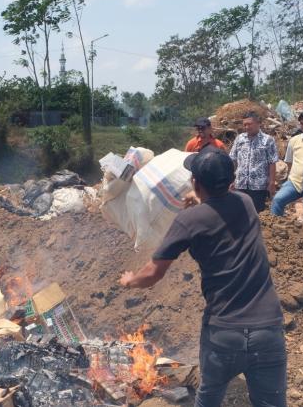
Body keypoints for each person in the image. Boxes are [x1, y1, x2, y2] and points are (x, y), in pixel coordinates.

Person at [120, 149, 287, 407]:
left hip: (224, 333)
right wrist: (202, 201)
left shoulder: (188, 220)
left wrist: (129, 280)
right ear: (231, 181)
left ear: (195, 182)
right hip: (269, 330)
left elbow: (153, 273)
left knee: (208, 399)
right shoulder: (246, 203)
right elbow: (219, 210)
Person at [229, 111, 279, 212]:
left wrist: (272, 182)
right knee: (240, 212)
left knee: (256, 212)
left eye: (249, 124)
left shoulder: (267, 140)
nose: (247, 127)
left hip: (258, 186)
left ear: (258, 123)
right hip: (240, 184)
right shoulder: (240, 139)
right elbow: (233, 159)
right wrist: (231, 179)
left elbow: (272, 162)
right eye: (245, 125)